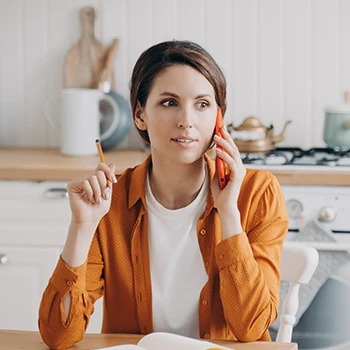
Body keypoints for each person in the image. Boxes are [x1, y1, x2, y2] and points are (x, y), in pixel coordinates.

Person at [38, 40, 289, 349]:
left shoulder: (256, 192)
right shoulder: (107, 200)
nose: (187, 120)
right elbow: (58, 335)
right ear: (140, 115)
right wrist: (82, 226)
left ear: (218, 119)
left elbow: (251, 328)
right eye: (170, 102)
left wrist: (228, 212)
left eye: (202, 104)